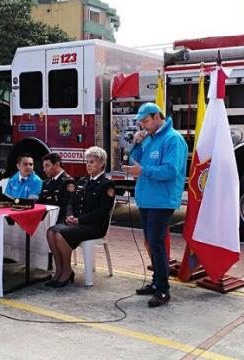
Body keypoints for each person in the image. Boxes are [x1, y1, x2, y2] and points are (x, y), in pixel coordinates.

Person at [122, 102, 188, 308]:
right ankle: (156, 281)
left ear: (158, 116)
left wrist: (143, 172)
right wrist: (137, 143)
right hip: (147, 198)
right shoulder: (150, 138)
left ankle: (163, 289)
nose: (143, 125)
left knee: (157, 243)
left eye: (146, 121)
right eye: (141, 122)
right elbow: (137, 159)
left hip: (161, 200)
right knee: (151, 243)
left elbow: (170, 171)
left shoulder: (172, 139)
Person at [45, 146, 115, 288]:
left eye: (92, 162)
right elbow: (71, 203)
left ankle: (67, 271)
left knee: (59, 235)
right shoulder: (83, 181)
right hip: (78, 223)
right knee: (51, 232)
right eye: (87, 162)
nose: (88, 165)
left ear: (101, 163)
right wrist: (70, 215)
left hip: (94, 226)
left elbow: (102, 212)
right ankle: (59, 271)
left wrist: (79, 220)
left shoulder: (106, 184)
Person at [39, 152, 75, 221]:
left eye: (47, 165)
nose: (44, 169)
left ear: (57, 164)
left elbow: (65, 208)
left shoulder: (67, 182)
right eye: (44, 167)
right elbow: (40, 202)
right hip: (45, 219)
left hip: (58, 220)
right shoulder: (46, 182)